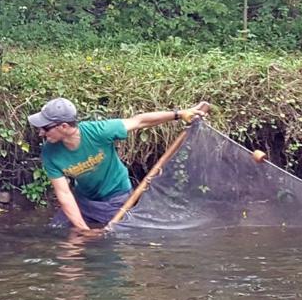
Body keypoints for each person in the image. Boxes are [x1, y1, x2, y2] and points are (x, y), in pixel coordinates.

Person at [27, 97, 209, 232]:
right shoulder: (50, 153)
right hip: (84, 200)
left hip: (115, 197)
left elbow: (139, 121)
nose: (41, 133)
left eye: (45, 127)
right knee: (57, 231)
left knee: (113, 241)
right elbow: (64, 194)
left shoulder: (98, 132)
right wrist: (84, 230)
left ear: (64, 127)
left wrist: (179, 114)